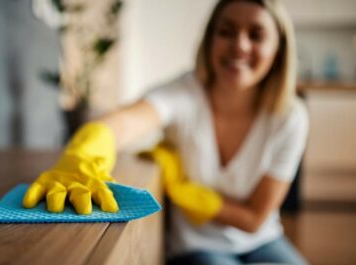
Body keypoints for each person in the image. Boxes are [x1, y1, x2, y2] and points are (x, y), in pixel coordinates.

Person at [22, 0, 309, 264]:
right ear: (210, 40)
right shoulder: (183, 94)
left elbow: (255, 219)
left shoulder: (290, 117)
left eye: (256, 35)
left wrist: (185, 192)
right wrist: (82, 155)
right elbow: (124, 121)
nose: (240, 45)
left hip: (262, 241)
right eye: (227, 31)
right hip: (197, 246)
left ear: (279, 51)